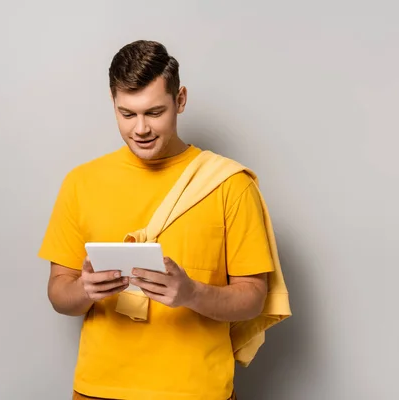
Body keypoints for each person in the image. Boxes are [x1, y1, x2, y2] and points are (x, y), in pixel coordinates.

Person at [39, 40, 282, 400]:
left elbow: (253, 298)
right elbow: (59, 293)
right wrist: (84, 290)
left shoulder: (229, 184)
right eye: (127, 113)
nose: (140, 129)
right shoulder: (81, 182)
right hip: (100, 389)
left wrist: (191, 293)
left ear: (180, 100)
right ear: (113, 103)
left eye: (154, 112)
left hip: (198, 390)